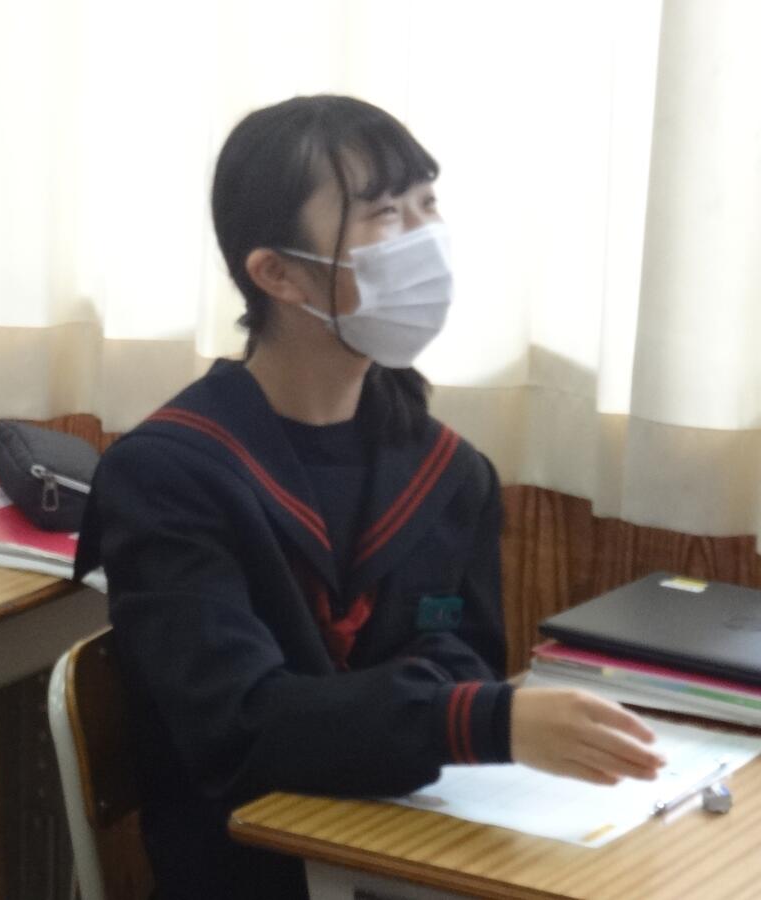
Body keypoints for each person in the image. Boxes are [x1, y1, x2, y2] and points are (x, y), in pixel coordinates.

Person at [73, 95, 666, 900]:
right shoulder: (170, 476)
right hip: (255, 872)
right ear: (277, 273)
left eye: (427, 204)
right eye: (384, 213)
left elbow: (459, 654)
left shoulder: (449, 472)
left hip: (410, 847)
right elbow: (240, 725)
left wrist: (426, 711)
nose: (422, 238)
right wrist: (481, 721)